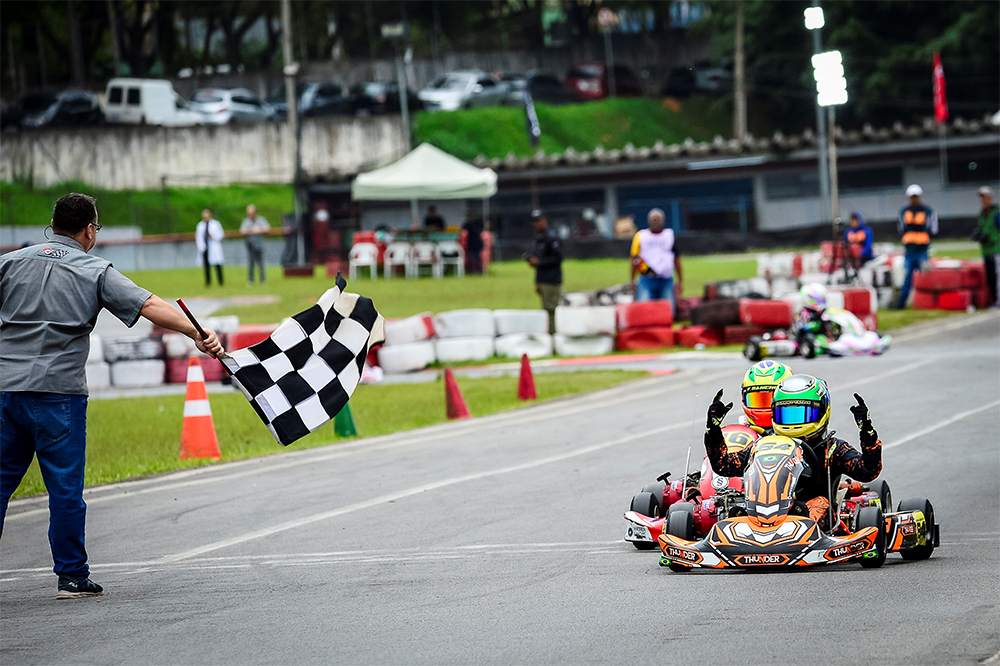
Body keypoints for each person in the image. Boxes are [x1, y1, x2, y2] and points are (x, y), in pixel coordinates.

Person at [0, 193, 224, 599]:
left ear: (52, 225)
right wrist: (196, 332)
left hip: (4, 389)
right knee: (64, 490)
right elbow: (150, 304)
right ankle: (71, 577)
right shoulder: (94, 269)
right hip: (59, 394)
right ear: (89, 230)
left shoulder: (10, 261)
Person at [704, 374, 882, 532]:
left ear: (821, 412)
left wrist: (867, 434)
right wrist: (713, 430)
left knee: (819, 503)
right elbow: (724, 465)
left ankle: (795, 535)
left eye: (802, 413)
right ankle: (748, 532)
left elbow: (867, 471)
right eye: (786, 414)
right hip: (762, 510)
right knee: (731, 508)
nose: (793, 422)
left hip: (810, 513)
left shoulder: (832, 449)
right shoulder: (762, 446)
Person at [630, 208, 683, 313]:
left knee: (668, 311)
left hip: (666, 279)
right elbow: (634, 259)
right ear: (648, 221)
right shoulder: (641, 236)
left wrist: (680, 280)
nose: (655, 222)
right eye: (653, 219)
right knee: (644, 310)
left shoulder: (669, 236)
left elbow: (677, 259)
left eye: (658, 219)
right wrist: (632, 279)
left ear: (663, 221)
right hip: (646, 279)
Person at [895, 184, 938, 309]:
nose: (914, 199)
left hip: (922, 249)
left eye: (916, 197)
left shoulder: (927, 211)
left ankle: (928, 302)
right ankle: (902, 302)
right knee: (908, 276)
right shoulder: (904, 211)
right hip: (909, 249)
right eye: (912, 197)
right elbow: (901, 227)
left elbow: (933, 229)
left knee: (925, 275)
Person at [525, 209, 562, 335]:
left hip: (551, 279)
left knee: (552, 309)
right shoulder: (539, 238)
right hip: (542, 278)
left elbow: (558, 258)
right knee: (545, 309)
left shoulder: (551, 238)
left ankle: (554, 333)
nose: (536, 224)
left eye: (538, 221)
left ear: (545, 221)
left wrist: (540, 262)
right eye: (534, 222)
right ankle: (549, 332)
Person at [738, 360, 793, 435]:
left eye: (768, 400)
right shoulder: (741, 429)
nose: (763, 410)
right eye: (756, 399)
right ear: (744, 397)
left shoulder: (798, 427)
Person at [972, 186, 1000, 308]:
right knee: (990, 278)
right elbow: (982, 229)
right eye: (981, 198)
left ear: (990, 198)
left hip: (997, 249)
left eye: (985, 197)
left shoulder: (996, 213)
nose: (983, 200)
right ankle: (993, 300)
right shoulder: (982, 213)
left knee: (998, 276)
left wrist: (990, 237)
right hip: (986, 250)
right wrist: (979, 235)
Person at [240, 204, 270, 286]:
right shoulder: (246, 221)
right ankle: (250, 280)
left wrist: (259, 229)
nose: (251, 214)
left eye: (252, 212)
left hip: (259, 244)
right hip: (250, 245)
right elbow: (242, 231)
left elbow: (267, 229)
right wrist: (251, 231)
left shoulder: (261, 220)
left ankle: (263, 280)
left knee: (261, 263)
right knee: (251, 263)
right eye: (249, 213)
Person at [195, 208, 225, 286]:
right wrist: (201, 247)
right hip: (205, 248)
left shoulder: (216, 224)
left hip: (214, 246)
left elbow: (221, 235)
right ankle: (208, 282)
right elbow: (198, 238)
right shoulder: (200, 226)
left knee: (217, 265)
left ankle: (220, 281)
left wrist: (213, 236)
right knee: (206, 266)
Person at [462, 209, 484, 274]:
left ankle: (479, 271)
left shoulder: (478, 223)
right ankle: (471, 271)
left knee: (478, 258)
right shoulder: (467, 224)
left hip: (477, 242)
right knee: (471, 259)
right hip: (470, 243)